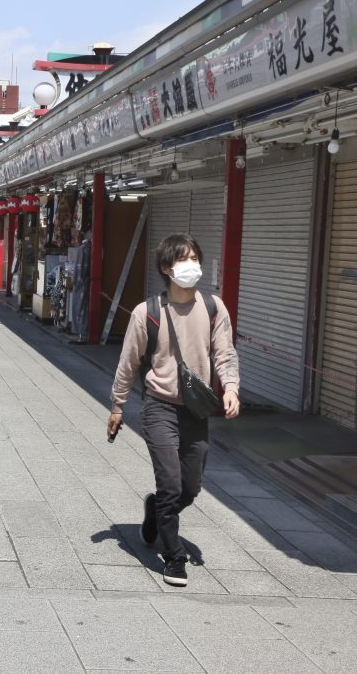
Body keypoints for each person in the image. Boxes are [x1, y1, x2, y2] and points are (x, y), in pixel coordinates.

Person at [108, 233, 240, 588]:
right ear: (167, 268)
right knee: (169, 484)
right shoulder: (147, 313)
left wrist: (230, 387)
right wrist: (117, 407)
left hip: (195, 411)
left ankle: (154, 512)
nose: (192, 266)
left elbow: (224, 353)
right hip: (159, 407)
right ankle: (174, 555)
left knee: (189, 488)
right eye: (184, 260)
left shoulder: (213, 308)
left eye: (195, 258)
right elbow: (128, 364)